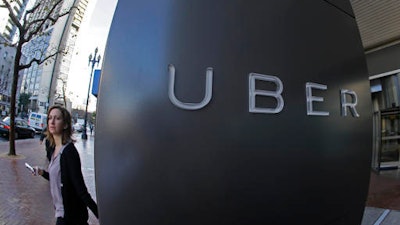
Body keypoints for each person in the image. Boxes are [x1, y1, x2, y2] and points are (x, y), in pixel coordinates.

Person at [34, 105, 98, 224]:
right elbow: (59, 179)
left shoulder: (69, 152)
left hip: (70, 216)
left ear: (65, 125)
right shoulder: (53, 149)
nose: (52, 122)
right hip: (62, 213)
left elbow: (80, 188)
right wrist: (42, 172)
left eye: (57, 118)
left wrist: (100, 215)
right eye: (50, 118)